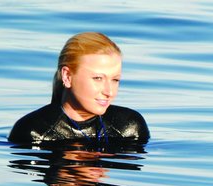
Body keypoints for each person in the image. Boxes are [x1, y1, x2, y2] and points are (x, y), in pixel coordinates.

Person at [9, 32, 149, 143]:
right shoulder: (33, 132)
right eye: (97, 78)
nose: (109, 92)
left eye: (115, 79)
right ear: (67, 76)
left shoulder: (129, 127)